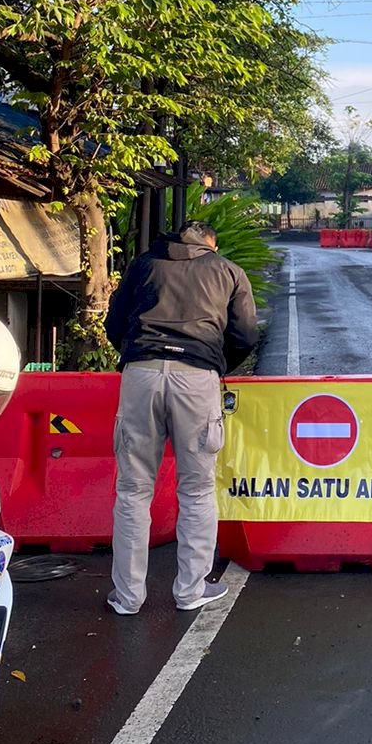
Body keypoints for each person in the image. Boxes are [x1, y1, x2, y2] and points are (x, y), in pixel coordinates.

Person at [104, 221, 258, 615]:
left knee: (133, 490)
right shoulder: (227, 271)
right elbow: (244, 336)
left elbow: (114, 325)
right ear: (212, 243)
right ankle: (190, 591)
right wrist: (213, 365)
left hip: (140, 374)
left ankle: (127, 597)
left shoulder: (143, 266)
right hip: (197, 378)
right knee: (196, 490)